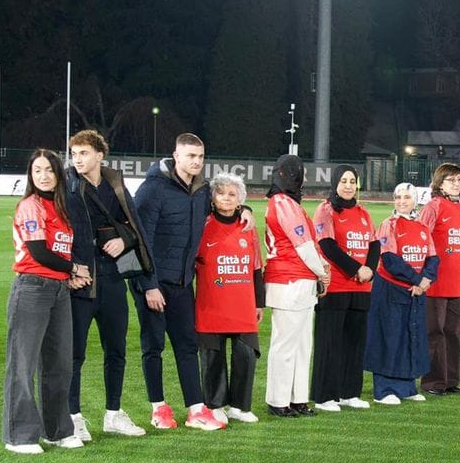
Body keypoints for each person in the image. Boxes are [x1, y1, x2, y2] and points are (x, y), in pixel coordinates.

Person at [132, 133, 237, 431]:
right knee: (153, 345)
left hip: (181, 282)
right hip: (152, 282)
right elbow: (140, 239)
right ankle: (159, 408)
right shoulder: (153, 189)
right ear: (175, 156)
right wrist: (148, 284)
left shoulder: (201, 191)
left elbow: (220, 213)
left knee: (187, 344)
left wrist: (245, 212)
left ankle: (196, 409)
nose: (196, 162)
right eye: (190, 156)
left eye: (200, 157)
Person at [3, 149, 91, 454]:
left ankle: (57, 430)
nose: (43, 176)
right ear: (30, 175)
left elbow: (60, 253)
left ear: (58, 174)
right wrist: (75, 269)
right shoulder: (31, 206)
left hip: (58, 290)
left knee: (59, 365)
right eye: (37, 170)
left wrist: (68, 276)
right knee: (23, 365)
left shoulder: (61, 209)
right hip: (31, 290)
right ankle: (20, 436)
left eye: (49, 170)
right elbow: (39, 252)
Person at [65, 130, 150, 440]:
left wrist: (122, 239)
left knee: (116, 350)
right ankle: (72, 416)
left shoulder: (116, 185)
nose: (77, 159)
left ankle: (113, 414)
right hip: (81, 279)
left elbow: (133, 226)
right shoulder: (67, 184)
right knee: (75, 353)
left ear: (100, 155)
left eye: (83, 153)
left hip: (113, 277)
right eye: (74, 154)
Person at [263, 155, 330, 418]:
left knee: (301, 345)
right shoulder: (284, 203)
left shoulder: (281, 201)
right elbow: (303, 246)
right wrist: (322, 272)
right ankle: (279, 400)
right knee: (287, 345)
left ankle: (296, 399)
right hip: (290, 280)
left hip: (296, 281)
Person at [194, 173, 264, 424]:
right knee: (212, 356)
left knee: (246, 354)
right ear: (212, 197)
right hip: (211, 302)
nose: (226, 197)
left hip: (243, 303)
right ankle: (214, 404)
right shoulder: (201, 224)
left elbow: (256, 266)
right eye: (220, 192)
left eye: (232, 194)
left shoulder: (248, 227)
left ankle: (240, 406)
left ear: (240, 200)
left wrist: (259, 302)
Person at [311, 165, 380, 412]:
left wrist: (369, 270)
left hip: (361, 289)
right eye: (344, 181)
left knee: (354, 343)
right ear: (334, 183)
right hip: (336, 287)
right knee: (330, 343)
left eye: (352, 181)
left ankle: (349, 392)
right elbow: (328, 246)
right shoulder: (326, 210)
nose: (349, 185)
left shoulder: (363, 213)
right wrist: (356, 269)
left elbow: (374, 244)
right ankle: (324, 395)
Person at [365, 183, 439, 404]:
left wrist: (425, 280)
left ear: (415, 199)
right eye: (398, 197)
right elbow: (390, 260)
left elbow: (433, 258)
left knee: (411, 337)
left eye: (407, 197)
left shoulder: (423, 227)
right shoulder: (389, 225)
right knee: (389, 337)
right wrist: (418, 280)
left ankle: (407, 386)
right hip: (391, 290)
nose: (402, 201)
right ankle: (384, 389)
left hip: (415, 292)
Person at [418, 164, 460, 396]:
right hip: (436, 283)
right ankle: (433, 381)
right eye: (451, 180)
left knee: (453, 333)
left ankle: (451, 380)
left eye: (459, 179)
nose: (456, 183)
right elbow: (420, 239)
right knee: (434, 333)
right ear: (439, 183)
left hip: (457, 283)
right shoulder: (433, 207)